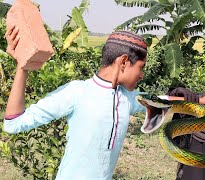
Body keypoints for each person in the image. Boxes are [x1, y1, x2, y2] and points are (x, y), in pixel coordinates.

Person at [4, 25, 150, 179]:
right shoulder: (76, 93)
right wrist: (22, 68)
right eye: (141, 67)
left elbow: (161, 101)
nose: (142, 75)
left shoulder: (127, 98)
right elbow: (14, 123)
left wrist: (177, 96)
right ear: (124, 62)